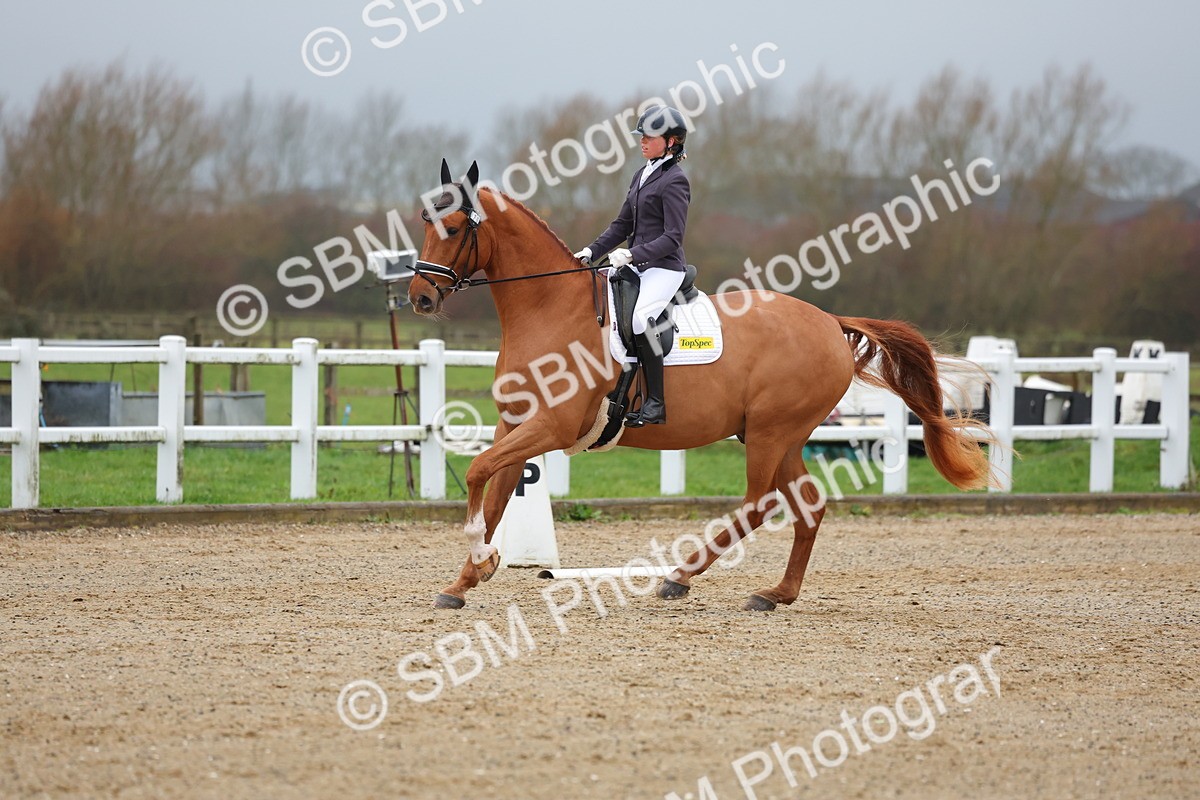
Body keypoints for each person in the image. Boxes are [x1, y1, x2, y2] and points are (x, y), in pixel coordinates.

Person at [574, 104, 691, 427]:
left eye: (649, 137)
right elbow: (622, 224)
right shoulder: (642, 174)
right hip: (639, 265)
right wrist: (590, 251)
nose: (642, 142)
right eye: (641, 136)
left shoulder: (675, 181)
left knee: (641, 319)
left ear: (670, 142)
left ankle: (656, 402)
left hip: (664, 268)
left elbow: (673, 237)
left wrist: (633, 254)